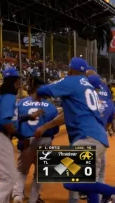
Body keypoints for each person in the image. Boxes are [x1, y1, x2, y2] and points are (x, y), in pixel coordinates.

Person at [34, 58, 115, 203]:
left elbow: (43, 90)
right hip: (99, 139)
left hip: (87, 138)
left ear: (70, 70)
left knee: (69, 181)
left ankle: (112, 193)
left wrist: (37, 94)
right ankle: (106, 194)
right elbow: (66, 115)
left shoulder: (72, 81)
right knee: (89, 183)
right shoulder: (87, 86)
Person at [11, 77, 59, 203]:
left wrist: (20, 137)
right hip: (46, 140)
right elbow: (56, 130)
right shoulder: (51, 107)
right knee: (40, 173)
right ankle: (33, 199)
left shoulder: (20, 103)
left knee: (21, 170)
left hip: (27, 140)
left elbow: (15, 124)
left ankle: (17, 196)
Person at [0, 67, 24, 203]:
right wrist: (20, 136)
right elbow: (5, 120)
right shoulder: (9, 94)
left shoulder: (1, 95)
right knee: (9, 178)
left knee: (6, 177)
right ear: (15, 81)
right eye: (18, 80)